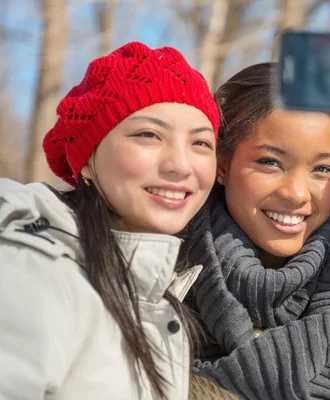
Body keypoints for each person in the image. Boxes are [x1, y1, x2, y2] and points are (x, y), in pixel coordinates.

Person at [0, 42, 220, 399]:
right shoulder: (33, 267)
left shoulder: (168, 286)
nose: (181, 164)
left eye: (201, 143)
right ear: (86, 161)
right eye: (149, 135)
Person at [186, 62, 330, 399]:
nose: (298, 193)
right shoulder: (158, 272)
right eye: (270, 162)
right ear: (222, 162)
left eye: (322, 169)